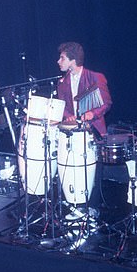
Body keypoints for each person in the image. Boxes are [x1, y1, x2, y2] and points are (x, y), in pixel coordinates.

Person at [56, 42, 112, 220]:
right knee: (73, 167)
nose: (58, 61)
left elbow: (106, 103)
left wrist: (91, 114)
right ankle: (76, 202)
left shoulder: (95, 77)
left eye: (62, 58)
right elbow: (62, 106)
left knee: (92, 170)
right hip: (74, 132)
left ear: (72, 60)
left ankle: (92, 207)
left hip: (93, 130)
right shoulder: (62, 82)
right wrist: (68, 116)